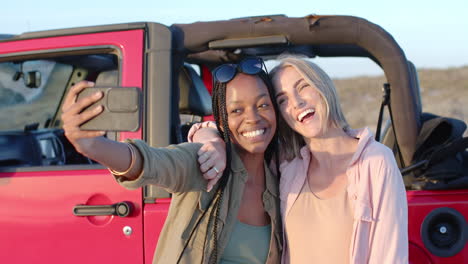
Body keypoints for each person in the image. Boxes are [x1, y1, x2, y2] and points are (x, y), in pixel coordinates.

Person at [60, 57, 282, 264]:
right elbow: (151, 162)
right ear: (222, 121)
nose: (253, 118)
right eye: (236, 110)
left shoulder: (284, 174)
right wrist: (93, 146)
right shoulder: (204, 163)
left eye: (263, 105)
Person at [189, 56, 408, 263]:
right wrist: (212, 140)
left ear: (323, 87)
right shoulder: (287, 164)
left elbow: (389, 256)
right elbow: (234, 133)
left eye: (303, 87)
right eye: (282, 100)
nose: (297, 103)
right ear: (280, 114)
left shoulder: (375, 161)